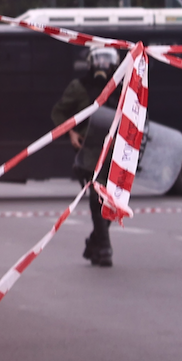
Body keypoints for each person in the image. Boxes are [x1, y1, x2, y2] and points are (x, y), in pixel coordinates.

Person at [51, 47, 119, 267]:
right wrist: (70, 132)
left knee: (113, 201)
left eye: (107, 60)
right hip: (90, 152)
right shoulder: (79, 87)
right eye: (99, 59)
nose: (103, 65)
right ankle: (106, 248)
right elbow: (58, 112)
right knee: (96, 197)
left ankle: (95, 242)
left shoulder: (123, 88)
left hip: (117, 153)